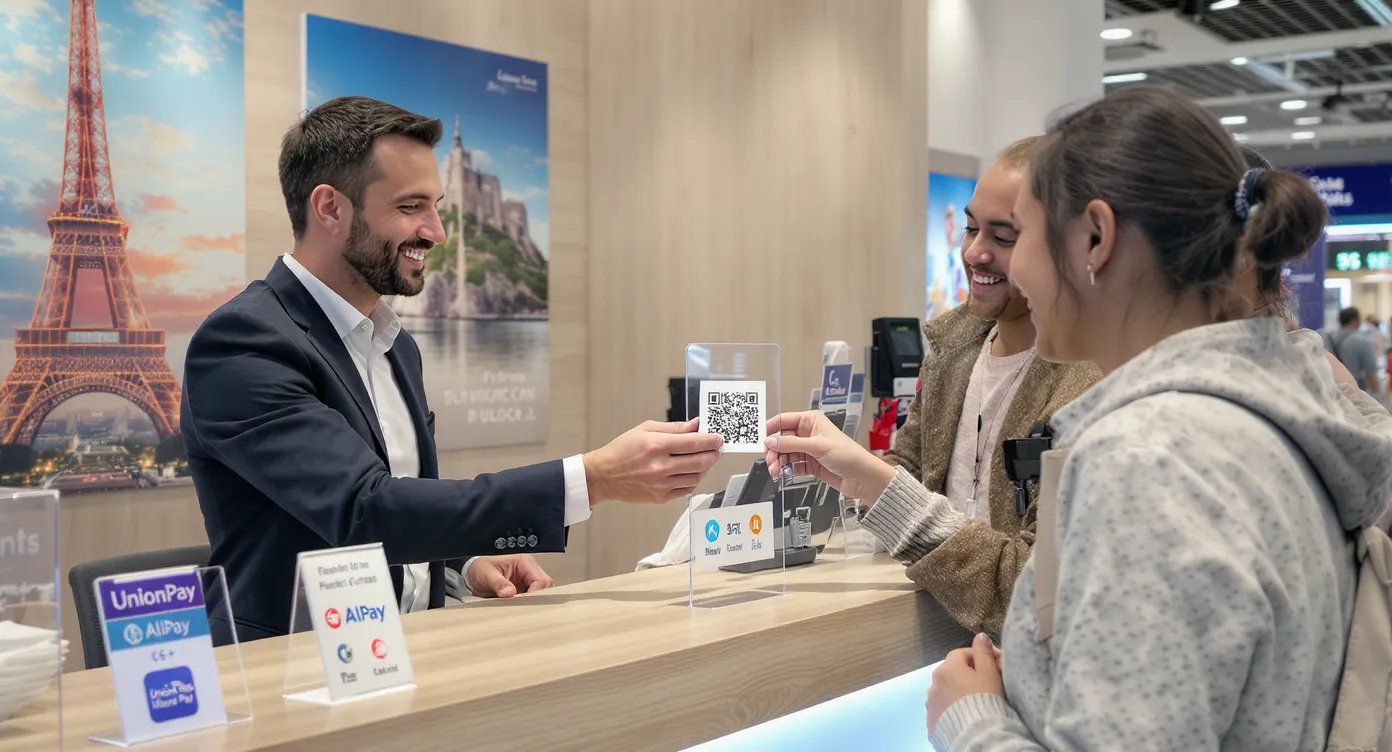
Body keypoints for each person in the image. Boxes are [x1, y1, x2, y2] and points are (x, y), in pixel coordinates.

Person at [911, 85, 1392, 750]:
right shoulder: (1275, 418)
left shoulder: (1149, 462)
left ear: (1096, 236)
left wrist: (972, 720)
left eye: (1021, 232)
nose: (1007, 265)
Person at [183, 96, 724, 643]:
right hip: (287, 676)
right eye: (411, 206)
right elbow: (362, 510)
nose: (437, 232)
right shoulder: (243, 343)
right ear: (330, 209)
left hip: (409, 659)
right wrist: (594, 478)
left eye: (437, 205)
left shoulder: (396, 345)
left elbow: (404, 503)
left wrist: (461, 563)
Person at [762, 138, 1100, 640]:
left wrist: (879, 485)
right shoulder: (953, 346)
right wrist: (854, 475)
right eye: (969, 228)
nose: (973, 252)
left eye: (1004, 237)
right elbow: (912, 471)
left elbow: (1028, 591)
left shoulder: (1090, 384)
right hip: (943, 640)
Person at [1328, 306, 1381, 397]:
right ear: (1355, 320)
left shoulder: (1328, 338)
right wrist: (1377, 394)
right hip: (1354, 392)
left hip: (1332, 391)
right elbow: (1371, 374)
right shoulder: (1362, 341)